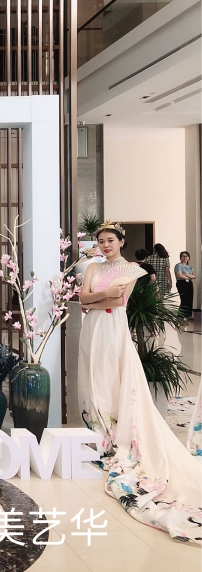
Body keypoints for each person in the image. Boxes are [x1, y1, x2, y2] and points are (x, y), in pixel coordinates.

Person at [78, 222, 202, 544]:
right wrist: (101, 296)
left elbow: (118, 303)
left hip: (113, 330)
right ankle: (96, 434)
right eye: (101, 241)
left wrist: (98, 298)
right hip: (92, 330)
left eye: (110, 240)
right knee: (92, 379)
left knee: (112, 380)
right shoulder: (92, 267)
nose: (105, 245)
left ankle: (111, 439)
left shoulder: (131, 269)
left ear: (121, 241)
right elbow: (83, 301)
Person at [175, 251, 195, 319]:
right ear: (180, 257)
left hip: (189, 284)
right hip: (181, 283)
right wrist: (189, 277)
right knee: (184, 299)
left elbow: (194, 276)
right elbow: (179, 276)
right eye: (183, 256)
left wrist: (186, 274)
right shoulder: (178, 265)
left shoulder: (190, 267)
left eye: (186, 256)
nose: (185, 257)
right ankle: (181, 315)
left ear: (188, 258)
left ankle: (188, 315)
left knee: (190, 299)